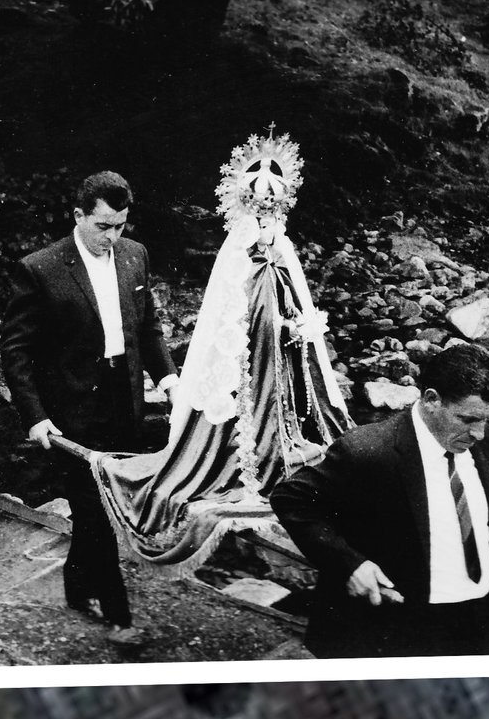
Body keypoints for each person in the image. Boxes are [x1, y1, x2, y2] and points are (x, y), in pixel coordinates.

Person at [89, 129, 354, 577]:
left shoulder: (281, 246)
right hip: (248, 339)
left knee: (288, 381)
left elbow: (294, 290)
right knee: (246, 390)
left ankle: (287, 438)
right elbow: (223, 313)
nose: (268, 221)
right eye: (261, 211)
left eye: (274, 211)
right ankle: (249, 454)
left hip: (280, 336)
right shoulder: (239, 250)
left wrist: (296, 323)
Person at [1, 170, 178, 647]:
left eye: (120, 225)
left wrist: (169, 378)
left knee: (101, 505)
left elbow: (149, 327)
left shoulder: (134, 255)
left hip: (126, 401)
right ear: (78, 216)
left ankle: (77, 587)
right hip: (72, 412)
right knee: (96, 510)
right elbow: (16, 353)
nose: (112, 237)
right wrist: (35, 416)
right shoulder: (40, 268)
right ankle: (120, 617)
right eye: (103, 226)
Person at [270, 343, 489, 657]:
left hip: (482, 619)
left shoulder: (472, 434)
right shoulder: (367, 451)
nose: (480, 434)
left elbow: (482, 475)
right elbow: (291, 499)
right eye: (469, 419)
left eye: (486, 420)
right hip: (407, 627)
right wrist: (349, 566)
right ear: (431, 400)